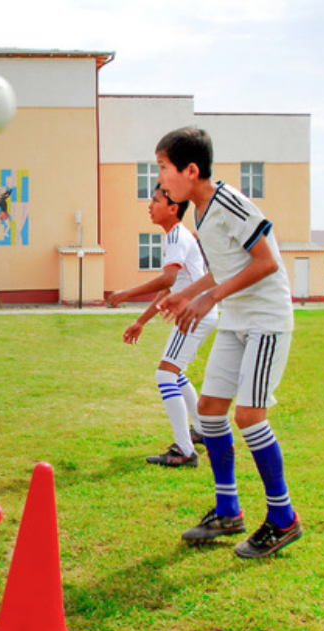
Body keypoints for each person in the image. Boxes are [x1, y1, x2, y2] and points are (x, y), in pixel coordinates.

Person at [155, 126, 302, 559]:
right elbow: (226, 266)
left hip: (266, 321)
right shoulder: (200, 211)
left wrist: (209, 297)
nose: (159, 179)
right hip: (238, 319)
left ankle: (283, 518)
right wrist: (186, 293)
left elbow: (266, 262)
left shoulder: (230, 203)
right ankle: (228, 509)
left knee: (250, 415)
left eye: (163, 169)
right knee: (210, 408)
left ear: (191, 170)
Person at [108, 184, 217, 467]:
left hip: (197, 313)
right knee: (175, 373)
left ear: (173, 208)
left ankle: (185, 450)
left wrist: (126, 293)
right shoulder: (176, 237)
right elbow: (171, 288)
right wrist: (141, 321)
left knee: (165, 375)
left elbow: (168, 281)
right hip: (199, 312)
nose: (149, 204)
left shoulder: (176, 237)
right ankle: (201, 432)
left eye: (155, 200)